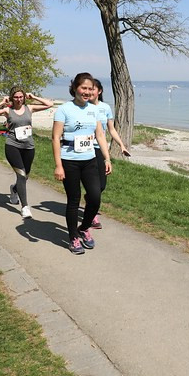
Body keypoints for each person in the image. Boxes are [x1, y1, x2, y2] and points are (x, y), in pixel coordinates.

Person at [52, 73, 111, 254]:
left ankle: (84, 228)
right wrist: (58, 165)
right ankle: (73, 238)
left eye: (90, 89)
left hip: (90, 159)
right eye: (83, 88)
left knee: (95, 197)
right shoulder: (64, 109)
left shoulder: (93, 110)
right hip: (69, 161)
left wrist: (107, 158)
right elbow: (55, 138)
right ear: (75, 88)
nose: (86, 92)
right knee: (74, 199)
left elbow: (100, 135)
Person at [0, 88, 55, 219]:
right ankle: (25, 207)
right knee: (21, 175)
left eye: (21, 97)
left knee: (25, 176)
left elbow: (50, 104)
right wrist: (2, 102)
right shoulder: (7, 110)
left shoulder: (29, 108)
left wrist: (34, 96)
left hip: (28, 146)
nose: (19, 99)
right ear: (12, 98)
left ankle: (14, 189)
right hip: (12, 145)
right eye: (16, 97)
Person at [87, 78, 130, 229]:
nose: (90, 92)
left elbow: (111, 129)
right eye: (88, 89)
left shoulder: (105, 108)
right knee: (92, 185)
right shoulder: (82, 107)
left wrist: (122, 145)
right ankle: (92, 216)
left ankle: (91, 200)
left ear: (99, 91)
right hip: (86, 150)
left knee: (102, 185)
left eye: (93, 89)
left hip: (100, 149)